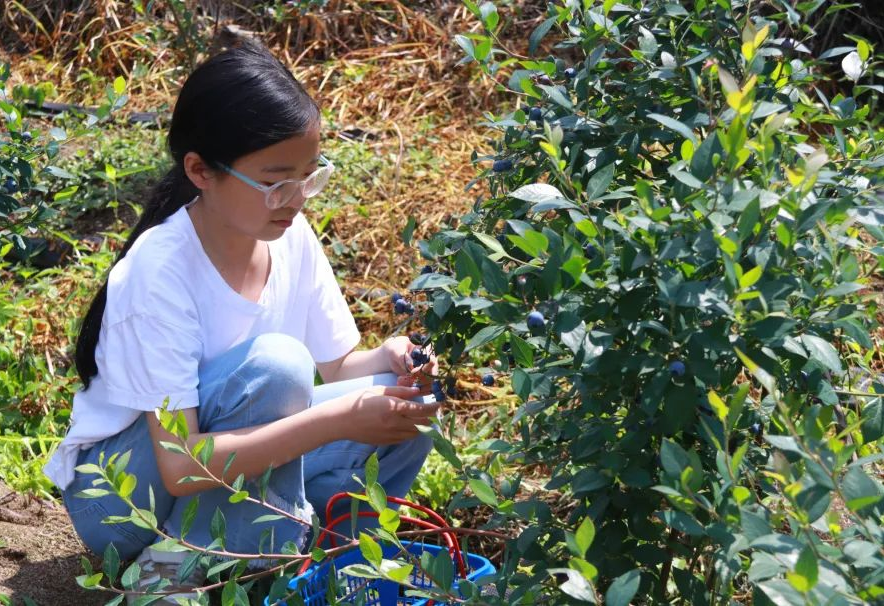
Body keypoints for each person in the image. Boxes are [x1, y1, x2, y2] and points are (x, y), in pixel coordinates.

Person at [42, 38, 441, 603]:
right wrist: (337, 420)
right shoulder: (160, 271)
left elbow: (336, 366)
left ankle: (336, 562)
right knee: (278, 367)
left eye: (309, 176)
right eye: (277, 182)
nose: (297, 198)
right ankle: (168, 576)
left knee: (409, 404)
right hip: (124, 498)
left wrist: (393, 358)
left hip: (211, 468)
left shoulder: (290, 235)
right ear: (201, 171)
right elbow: (179, 464)